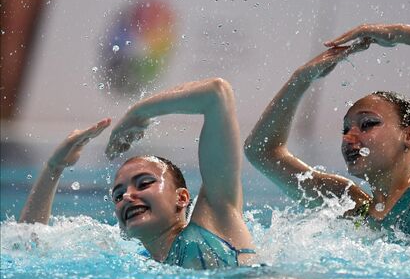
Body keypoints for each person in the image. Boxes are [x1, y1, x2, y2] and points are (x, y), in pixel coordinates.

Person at [244, 24, 410, 253]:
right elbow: (260, 151)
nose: (350, 137)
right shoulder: (351, 205)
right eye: (345, 129)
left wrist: (398, 34)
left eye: (367, 124)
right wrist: (301, 79)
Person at [19, 78, 256, 269]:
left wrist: (141, 112)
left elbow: (217, 94)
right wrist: (53, 169)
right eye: (118, 195)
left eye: (144, 184)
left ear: (182, 198)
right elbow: (29, 251)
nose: (127, 197)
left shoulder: (217, 219)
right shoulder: (134, 262)